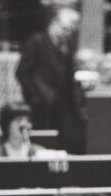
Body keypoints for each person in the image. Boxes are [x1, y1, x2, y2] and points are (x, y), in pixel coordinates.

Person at [15, 6, 80, 151]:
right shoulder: (37, 41)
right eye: (65, 28)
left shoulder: (68, 45)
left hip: (60, 107)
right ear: (54, 22)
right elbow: (22, 72)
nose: (67, 33)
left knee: (61, 145)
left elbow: (69, 78)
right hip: (39, 108)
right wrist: (35, 96)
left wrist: (75, 110)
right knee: (41, 146)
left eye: (70, 30)